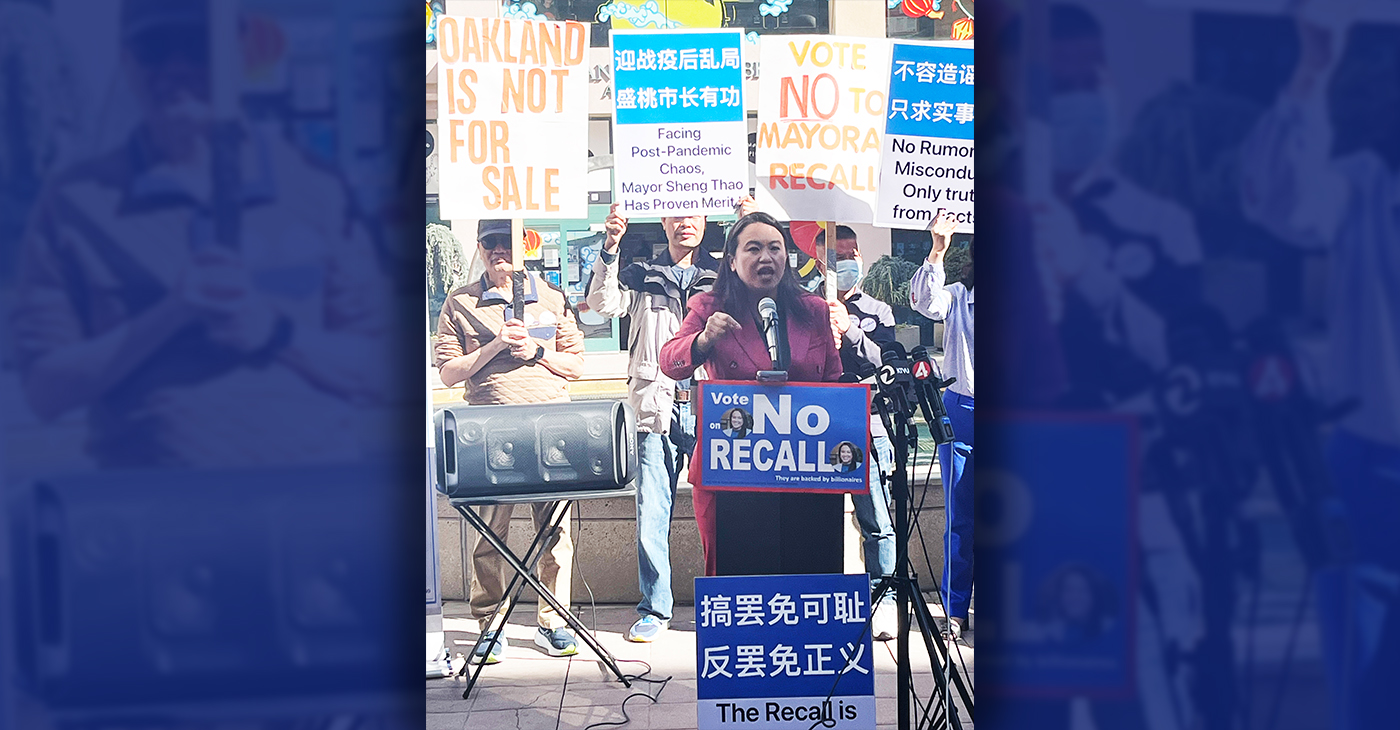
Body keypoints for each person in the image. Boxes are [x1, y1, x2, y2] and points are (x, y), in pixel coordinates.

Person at [9, 0, 389, 468]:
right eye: (154, 49)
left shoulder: (315, 188)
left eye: (195, 48)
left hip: (307, 499)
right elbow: (45, 391)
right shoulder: (75, 203)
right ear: (127, 61)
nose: (174, 67)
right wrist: (172, 313)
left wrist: (272, 331)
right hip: (156, 511)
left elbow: (379, 370)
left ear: (238, 54)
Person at [1238, 8, 1400, 727]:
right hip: (1371, 461)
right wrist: (1313, 71)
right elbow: (1275, 197)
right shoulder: (1366, 187)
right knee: (1363, 680)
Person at [585, 196, 755, 642]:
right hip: (656, 405)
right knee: (653, 508)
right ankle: (655, 608)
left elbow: (763, 292)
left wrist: (748, 226)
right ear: (662, 219)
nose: (685, 222)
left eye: (694, 214)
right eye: (676, 214)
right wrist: (611, 244)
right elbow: (602, 304)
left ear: (705, 220)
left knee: (723, 509)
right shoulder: (641, 274)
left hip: (713, 407)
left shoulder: (725, 275)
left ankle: (726, 603)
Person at [435, 219, 586, 664]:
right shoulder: (460, 301)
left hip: (551, 431)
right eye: (490, 243)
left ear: (525, 245)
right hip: (490, 436)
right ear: (479, 248)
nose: (499, 251)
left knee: (555, 532)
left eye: (507, 242)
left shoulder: (553, 296)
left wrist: (537, 352)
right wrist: (494, 346)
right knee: (489, 531)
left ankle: (552, 620)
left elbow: (577, 366)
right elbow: (447, 372)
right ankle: (489, 622)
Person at [660, 211, 843, 575]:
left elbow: (835, 381)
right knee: (736, 575)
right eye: (753, 248)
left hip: (805, 470)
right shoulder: (708, 307)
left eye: (775, 248)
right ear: (732, 259)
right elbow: (669, 362)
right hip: (732, 471)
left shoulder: (814, 310)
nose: (766, 258)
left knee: (808, 574)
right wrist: (703, 340)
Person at [815, 224, 899, 640]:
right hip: (818, 433)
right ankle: (822, 602)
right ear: (819, 261)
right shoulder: (803, 305)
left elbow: (889, 361)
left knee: (877, 520)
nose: (847, 263)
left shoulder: (878, 310)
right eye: (837, 257)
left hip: (868, 426)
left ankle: (883, 601)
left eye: (852, 255)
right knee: (818, 522)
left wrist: (850, 328)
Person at [910, 211, 974, 641]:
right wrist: (937, 248)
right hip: (964, 412)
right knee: (960, 519)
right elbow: (926, 303)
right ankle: (954, 609)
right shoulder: (958, 295)